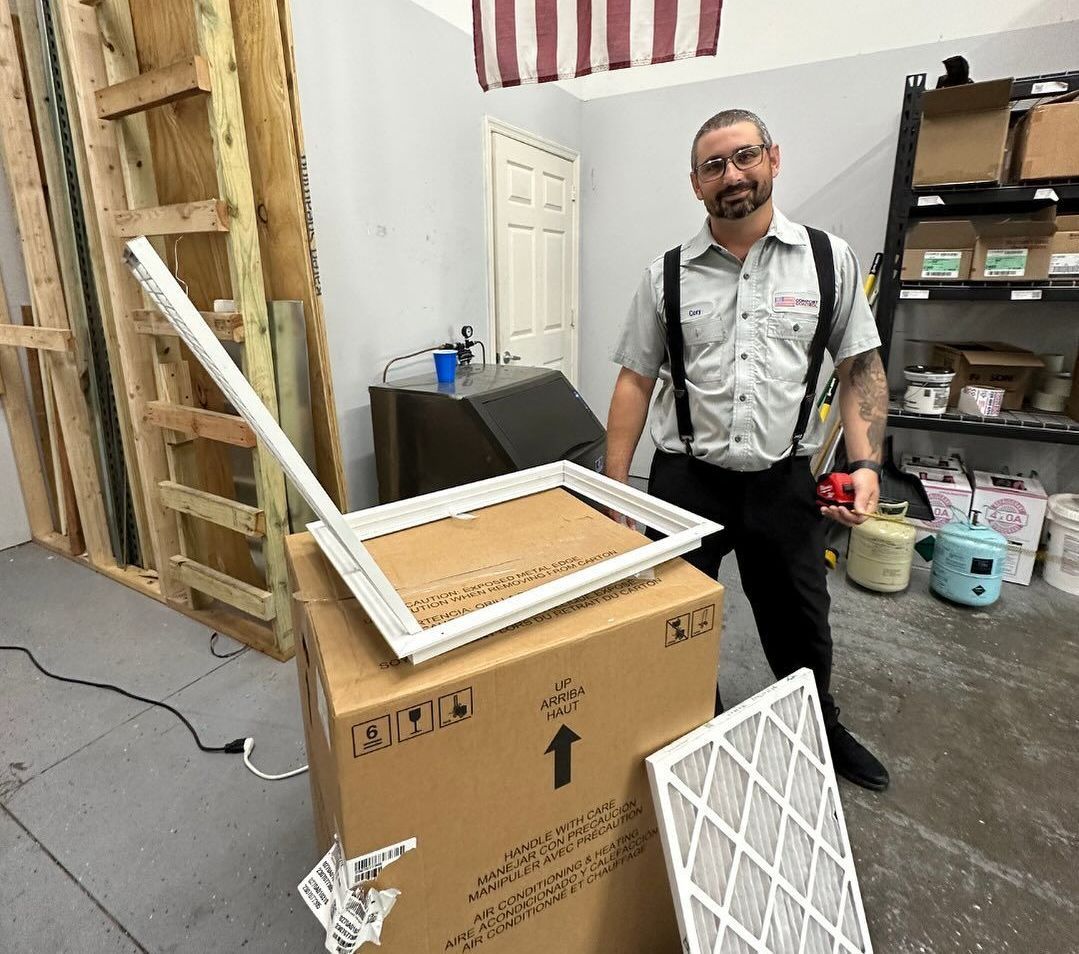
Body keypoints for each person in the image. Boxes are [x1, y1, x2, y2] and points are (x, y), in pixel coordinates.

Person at [605, 108, 890, 791]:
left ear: (772, 159)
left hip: (781, 480)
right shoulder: (664, 276)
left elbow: (860, 368)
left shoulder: (829, 260)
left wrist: (865, 463)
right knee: (671, 622)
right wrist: (614, 488)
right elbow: (634, 381)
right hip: (685, 481)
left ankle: (818, 723)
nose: (731, 175)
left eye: (744, 157)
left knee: (800, 623)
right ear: (695, 185)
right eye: (713, 165)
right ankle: (692, 725)